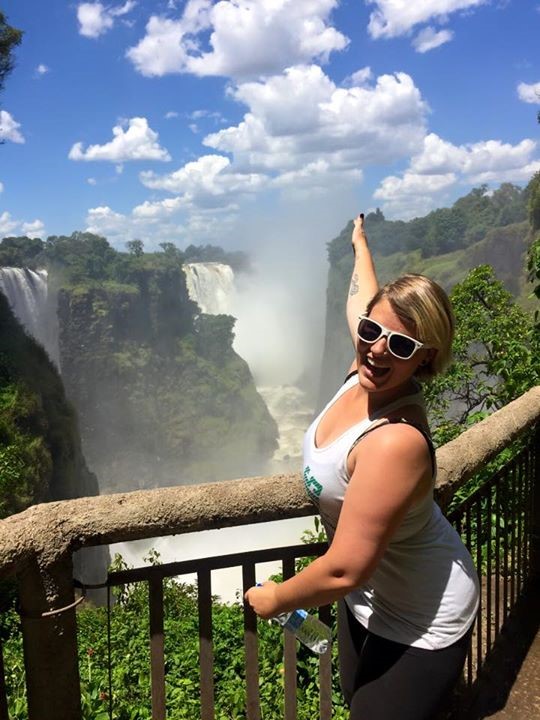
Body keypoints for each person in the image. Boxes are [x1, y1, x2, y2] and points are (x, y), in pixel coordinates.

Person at [245, 213, 480, 719]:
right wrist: (359, 244)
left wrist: (277, 600)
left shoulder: (395, 442)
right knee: (355, 696)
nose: (376, 347)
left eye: (399, 344)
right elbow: (362, 298)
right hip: (366, 599)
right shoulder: (366, 366)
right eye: (372, 331)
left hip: (424, 614)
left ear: (425, 357)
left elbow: (348, 566)